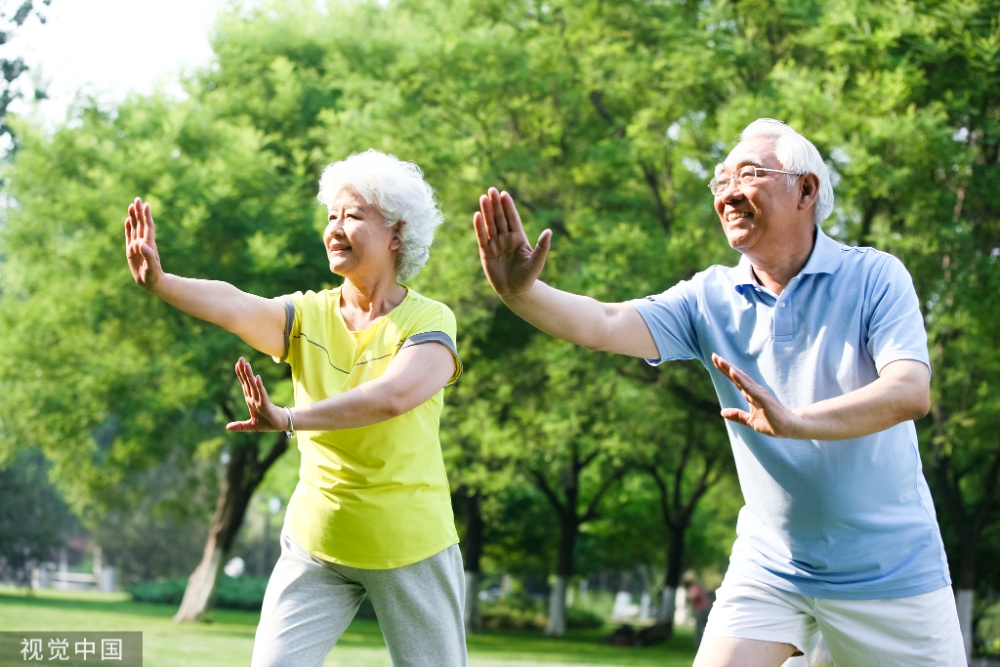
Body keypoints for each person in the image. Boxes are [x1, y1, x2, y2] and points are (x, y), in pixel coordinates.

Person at [472, 118, 965, 667]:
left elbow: (909, 390)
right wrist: (521, 293)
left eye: (748, 174)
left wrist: (797, 421)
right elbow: (606, 323)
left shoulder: (875, 277)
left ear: (806, 190)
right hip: (773, 566)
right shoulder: (708, 297)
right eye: (720, 180)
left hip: (888, 570)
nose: (728, 193)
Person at [125, 149, 467, 667]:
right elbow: (235, 304)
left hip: (409, 545)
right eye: (331, 216)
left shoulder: (429, 321)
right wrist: (162, 282)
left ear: (397, 234)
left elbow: (391, 398)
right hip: (317, 544)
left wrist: (289, 419)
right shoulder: (308, 315)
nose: (335, 228)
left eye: (353, 216)